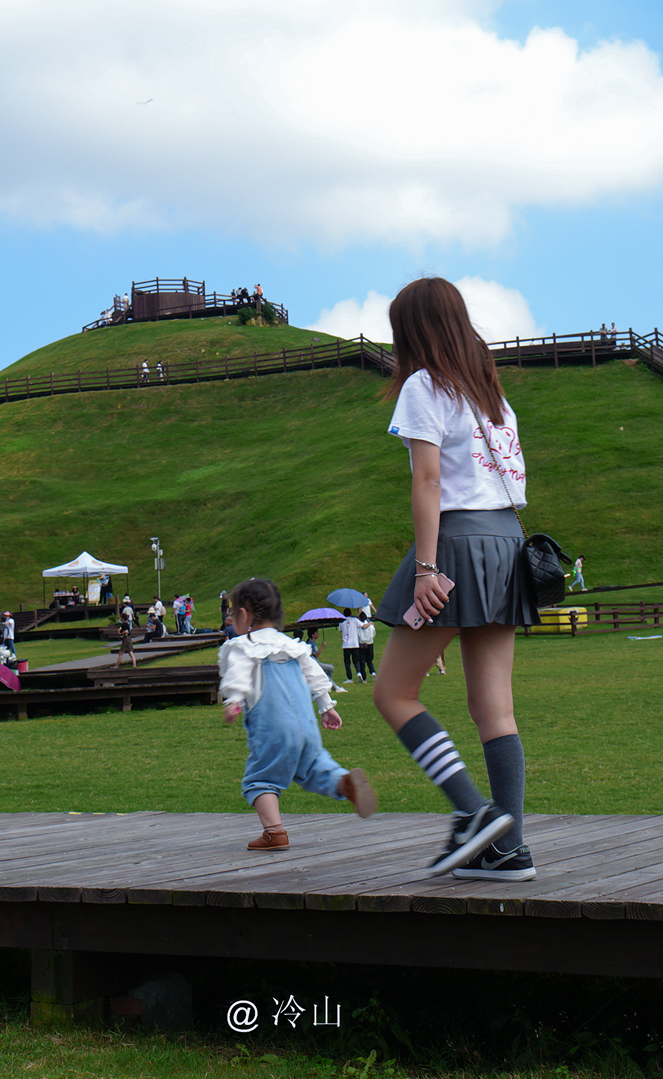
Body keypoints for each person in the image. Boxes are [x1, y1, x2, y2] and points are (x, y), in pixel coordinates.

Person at [370, 277, 535, 881]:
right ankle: (509, 849)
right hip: (507, 542)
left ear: (412, 330)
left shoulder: (423, 387)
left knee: (392, 693)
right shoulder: (493, 397)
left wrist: (426, 569)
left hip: (458, 542)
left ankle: (473, 815)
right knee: (494, 707)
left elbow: (429, 483)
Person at [219, 577, 376, 850]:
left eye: (232, 613)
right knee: (314, 766)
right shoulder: (292, 645)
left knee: (260, 778)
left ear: (244, 615)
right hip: (305, 724)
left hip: (273, 726)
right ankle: (345, 783)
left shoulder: (244, 646)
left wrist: (233, 701)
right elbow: (314, 673)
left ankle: (274, 832)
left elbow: (238, 675)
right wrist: (326, 705)